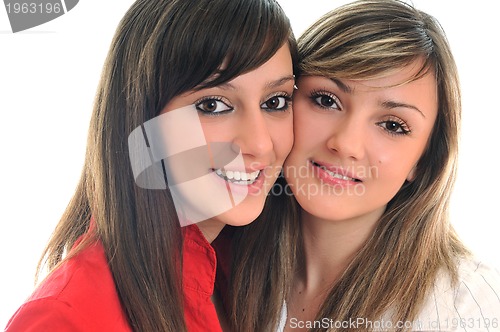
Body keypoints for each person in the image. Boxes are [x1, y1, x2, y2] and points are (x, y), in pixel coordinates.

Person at [5, 0, 298, 331]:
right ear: (141, 120)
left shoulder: (253, 274)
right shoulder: (65, 320)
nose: (260, 143)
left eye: (275, 102)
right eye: (213, 105)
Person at [225, 0, 500, 331]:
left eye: (392, 125)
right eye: (327, 100)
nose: (346, 144)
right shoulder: (219, 260)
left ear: (424, 159)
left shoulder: (467, 307)